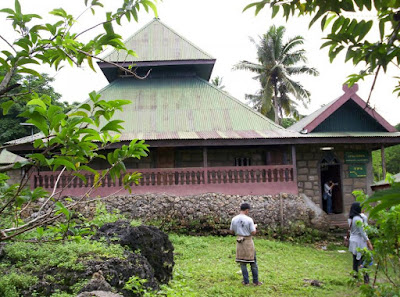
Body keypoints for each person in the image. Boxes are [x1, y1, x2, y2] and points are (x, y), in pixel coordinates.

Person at [230, 203, 262, 286]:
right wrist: (254, 227)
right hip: (248, 241)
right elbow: (253, 232)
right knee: (253, 262)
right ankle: (255, 281)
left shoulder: (234, 219)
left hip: (239, 241)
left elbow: (232, 231)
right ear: (247, 210)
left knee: (242, 262)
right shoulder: (249, 220)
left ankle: (246, 281)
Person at [348, 202, 373, 284]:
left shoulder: (350, 218)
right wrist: (368, 242)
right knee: (363, 261)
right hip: (359, 241)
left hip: (353, 241)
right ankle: (366, 279)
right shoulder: (358, 219)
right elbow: (362, 232)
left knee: (355, 261)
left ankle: (355, 278)